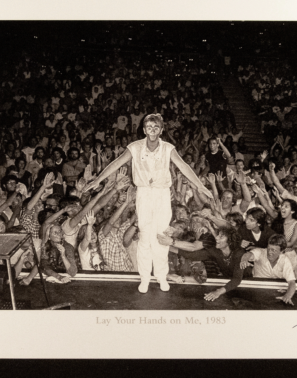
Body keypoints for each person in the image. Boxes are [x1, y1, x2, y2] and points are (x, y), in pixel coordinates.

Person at [84, 113, 212, 293]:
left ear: (161, 130)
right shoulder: (134, 147)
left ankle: (161, 276)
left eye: (156, 127)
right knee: (144, 236)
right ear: (144, 130)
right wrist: (98, 180)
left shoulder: (168, 148)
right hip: (143, 193)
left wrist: (200, 186)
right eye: (149, 127)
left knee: (160, 237)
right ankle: (145, 277)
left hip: (162, 194)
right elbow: (116, 163)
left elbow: (184, 166)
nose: (152, 130)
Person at [161, 226, 248, 302]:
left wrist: (217, 292)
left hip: (249, 281)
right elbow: (192, 255)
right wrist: (165, 246)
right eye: (217, 235)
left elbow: (237, 279)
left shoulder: (239, 253)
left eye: (221, 237)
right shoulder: (215, 251)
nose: (216, 238)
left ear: (230, 241)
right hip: (229, 284)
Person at [239, 234, 297, 306]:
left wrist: (288, 296)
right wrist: (244, 260)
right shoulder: (260, 252)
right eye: (268, 248)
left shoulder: (285, 260)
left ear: (281, 251)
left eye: (273, 250)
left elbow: (291, 282)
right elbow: (248, 254)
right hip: (257, 289)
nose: (269, 252)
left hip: (276, 292)